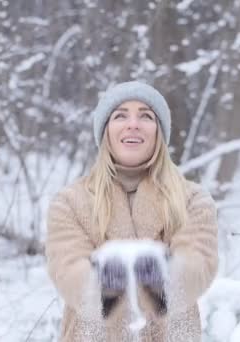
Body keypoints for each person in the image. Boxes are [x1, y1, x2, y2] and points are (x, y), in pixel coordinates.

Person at [46, 81, 218, 341]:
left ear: (159, 132)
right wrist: (105, 283)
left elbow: (199, 267)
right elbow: (67, 273)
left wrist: (161, 277)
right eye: (120, 115)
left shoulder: (192, 200)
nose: (133, 124)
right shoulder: (70, 202)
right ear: (106, 131)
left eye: (146, 116)